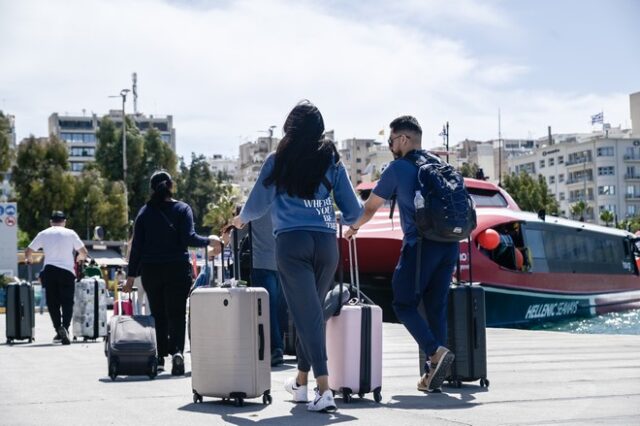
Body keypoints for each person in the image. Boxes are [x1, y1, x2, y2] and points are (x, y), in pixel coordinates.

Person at [232, 100, 362, 413]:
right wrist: (353, 225)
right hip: (326, 245)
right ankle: (301, 383)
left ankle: (324, 389)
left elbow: (257, 204)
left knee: (308, 317)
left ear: (290, 127)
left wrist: (240, 220)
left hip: (292, 245)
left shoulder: (279, 159)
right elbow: (353, 208)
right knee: (311, 315)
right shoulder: (331, 158)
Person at [345, 116, 458, 392]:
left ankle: (434, 353)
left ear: (404, 139)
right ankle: (432, 378)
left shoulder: (398, 168)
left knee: (403, 302)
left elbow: (370, 207)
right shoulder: (438, 163)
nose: (391, 145)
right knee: (436, 307)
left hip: (420, 244)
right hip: (450, 243)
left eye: (392, 140)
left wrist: (354, 228)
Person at [123, 171, 222, 375]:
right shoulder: (182, 209)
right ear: (170, 185)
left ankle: (159, 358)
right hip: (177, 268)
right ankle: (177, 353)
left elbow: (137, 249)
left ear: (152, 188)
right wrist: (209, 241)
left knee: (157, 315)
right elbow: (189, 238)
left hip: (151, 270)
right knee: (177, 314)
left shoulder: (144, 213)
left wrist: (130, 277)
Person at [224, 208, 284, 366]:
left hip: (261, 263)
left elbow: (237, 234)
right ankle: (284, 346)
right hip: (284, 262)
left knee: (266, 308)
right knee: (280, 307)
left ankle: (275, 348)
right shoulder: (285, 201)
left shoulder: (255, 206)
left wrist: (231, 247)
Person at [25, 211, 88, 345]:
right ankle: (65, 327)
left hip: (50, 271)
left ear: (51, 222)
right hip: (67, 272)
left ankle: (58, 330)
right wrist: (79, 258)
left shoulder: (44, 233)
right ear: (64, 221)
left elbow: (28, 250)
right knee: (67, 302)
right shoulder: (70, 233)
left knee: (53, 303)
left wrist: (28, 259)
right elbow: (84, 252)